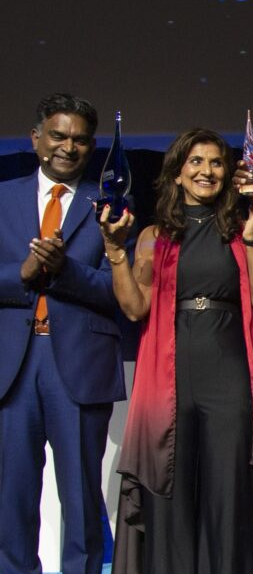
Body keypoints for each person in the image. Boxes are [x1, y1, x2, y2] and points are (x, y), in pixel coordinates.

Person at [99, 128, 253, 574]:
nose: (207, 171)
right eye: (196, 162)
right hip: (170, 375)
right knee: (169, 488)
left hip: (228, 374)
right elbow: (135, 307)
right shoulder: (154, 236)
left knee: (227, 492)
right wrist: (115, 253)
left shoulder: (239, 231)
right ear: (177, 173)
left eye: (216, 162)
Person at [0, 93, 124, 574]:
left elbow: (119, 291)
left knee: (81, 497)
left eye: (80, 140)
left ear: (92, 147)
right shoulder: (4, 197)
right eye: (58, 135)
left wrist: (64, 270)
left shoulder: (110, 204)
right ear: (36, 138)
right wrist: (24, 272)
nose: (68, 147)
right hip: (13, 366)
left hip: (78, 362)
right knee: (11, 497)